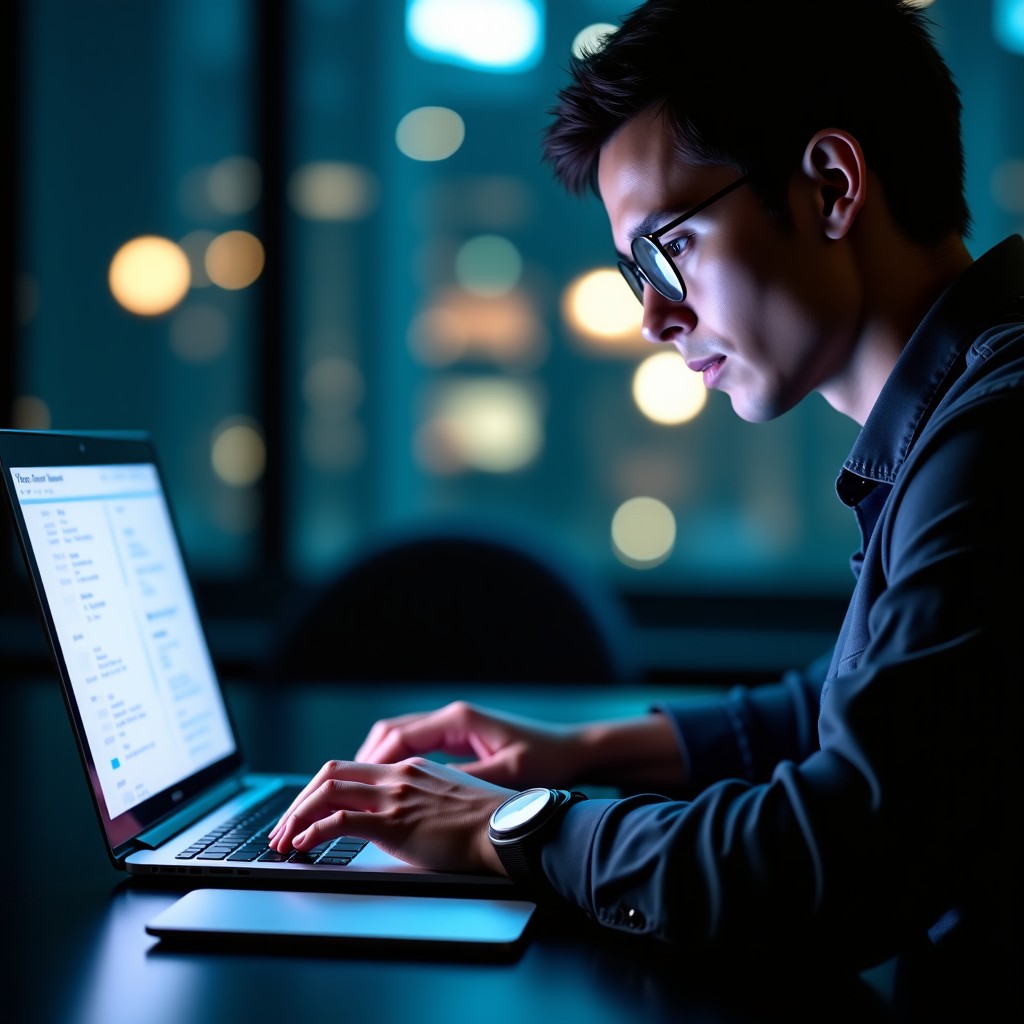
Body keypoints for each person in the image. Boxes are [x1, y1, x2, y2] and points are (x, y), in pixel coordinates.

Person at [271, 0, 1022, 1013]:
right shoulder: (969, 403)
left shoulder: (999, 437)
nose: (654, 316)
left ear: (832, 186)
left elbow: (834, 862)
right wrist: (584, 750)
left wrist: (511, 824)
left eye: (668, 249)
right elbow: (861, 700)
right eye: (634, 272)